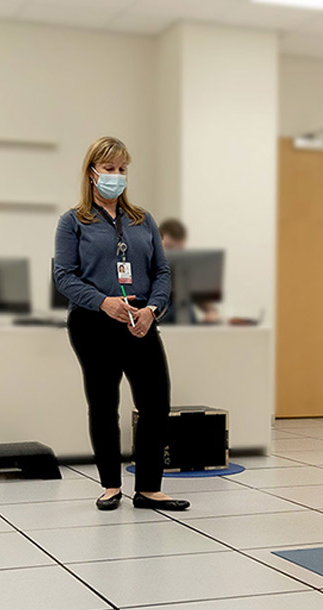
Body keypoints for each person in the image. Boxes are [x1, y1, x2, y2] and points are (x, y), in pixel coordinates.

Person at [54, 136, 189, 512]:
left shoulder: (142, 219)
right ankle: (110, 486)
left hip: (140, 321)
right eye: (109, 169)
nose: (116, 176)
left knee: (155, 403)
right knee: (103, 404)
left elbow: (161, 271)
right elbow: (64, 276)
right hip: (93, 323)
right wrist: (103, 302)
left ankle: (148, 489)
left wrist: (153, 310)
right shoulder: (73, 222)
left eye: (122, 169)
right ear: (92, 173)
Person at [157, 218, 220, 324]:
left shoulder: (184, 269)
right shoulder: (149, 267)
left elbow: (200, 298)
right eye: (169, 247)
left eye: (179, 250)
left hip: (185, 324)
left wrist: (211, 312)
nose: (174, 254)